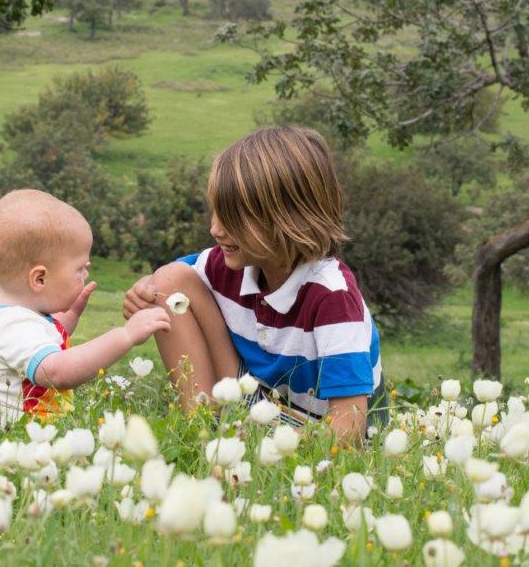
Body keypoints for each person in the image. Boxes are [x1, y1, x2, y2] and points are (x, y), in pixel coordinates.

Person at [123, 126, 384, 441]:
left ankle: (229, 438)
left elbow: (348, 430)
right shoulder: (228, 264)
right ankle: (202, 428)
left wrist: (275, 449)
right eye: (217, 213)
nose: (215, 229)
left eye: (233, 218)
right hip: (256, 410)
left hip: (316, 437)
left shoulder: (332, 296)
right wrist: (146, 289)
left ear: (289, 218)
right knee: (169, 280)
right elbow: (171, 280)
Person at [0, 189, 171, 424]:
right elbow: (57, 373)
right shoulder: (12, 327)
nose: (87, 272)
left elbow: (43, 339)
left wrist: (69, 315)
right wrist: (126, 335)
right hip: (10, 438)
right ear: (39, 279)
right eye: (79, 268)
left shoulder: (11, 314)